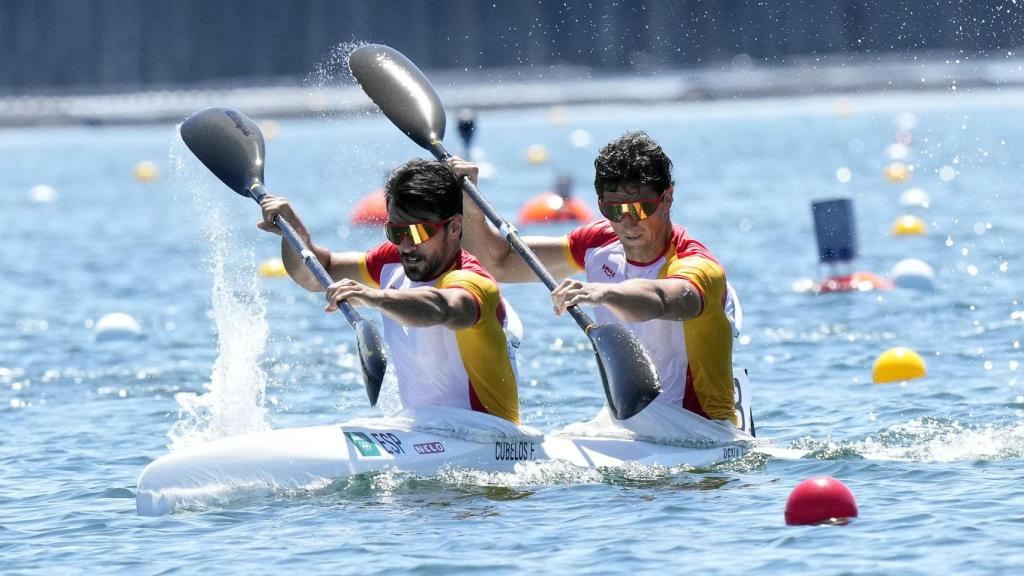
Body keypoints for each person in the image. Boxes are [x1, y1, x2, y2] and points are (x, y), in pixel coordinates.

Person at [451, 131, 739, 426]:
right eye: (613, 209)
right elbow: (498, 263)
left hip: (701, 431)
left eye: (639, 209)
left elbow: (659, 300)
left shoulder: (697, 267)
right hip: (630, 427)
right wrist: (469, 199)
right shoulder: (596, 242)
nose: (626, 222)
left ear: (667, 198)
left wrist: (603, 293)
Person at [259, 159, 520, 423]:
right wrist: (292, 232)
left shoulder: (473, 281)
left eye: (418, 233)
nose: (405, 246)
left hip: (489, 434)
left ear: (454, 227)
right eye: (395, 232)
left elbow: (442, 308)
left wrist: (373, 296)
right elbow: (316, 275)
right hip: (423, 429)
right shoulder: (391, 261)